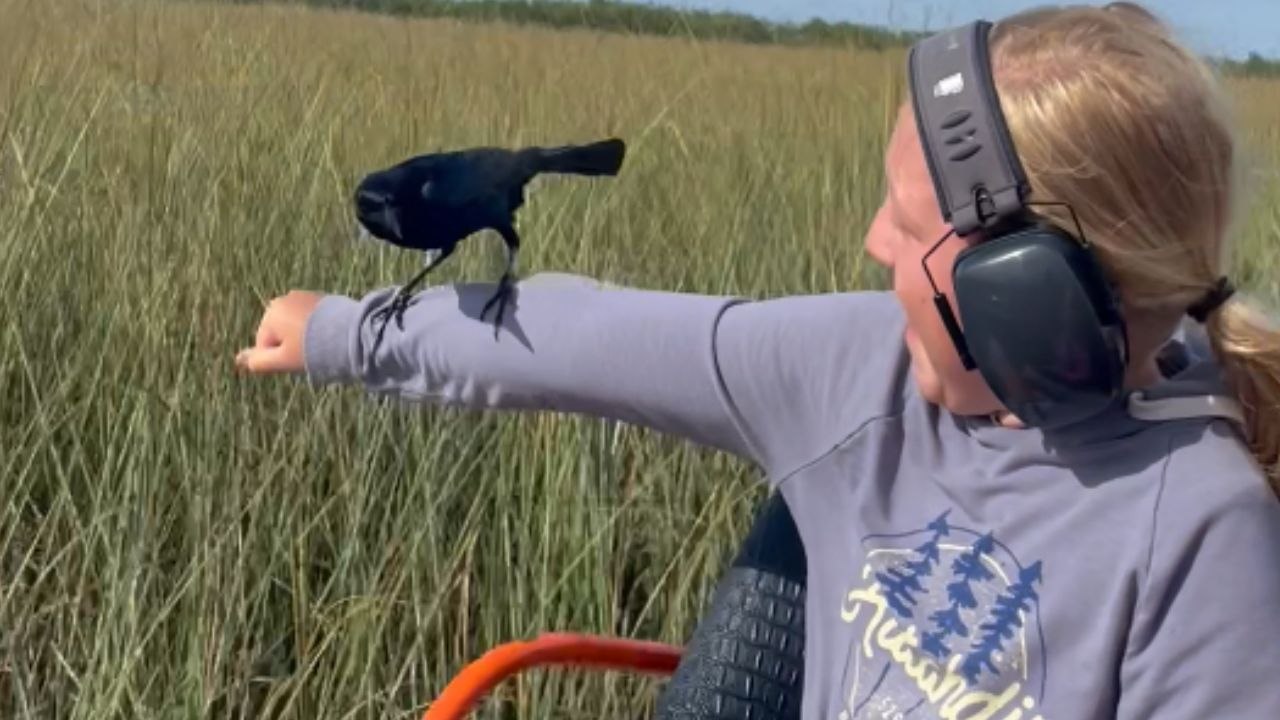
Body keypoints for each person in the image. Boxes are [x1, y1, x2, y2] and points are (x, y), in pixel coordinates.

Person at [234, 3, 1280, 717]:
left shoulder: (1198, 537)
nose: (871, 242)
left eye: (906, 222)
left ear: (1029, 292)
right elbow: (581, 337)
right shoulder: (858, 372)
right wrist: (338, 329)